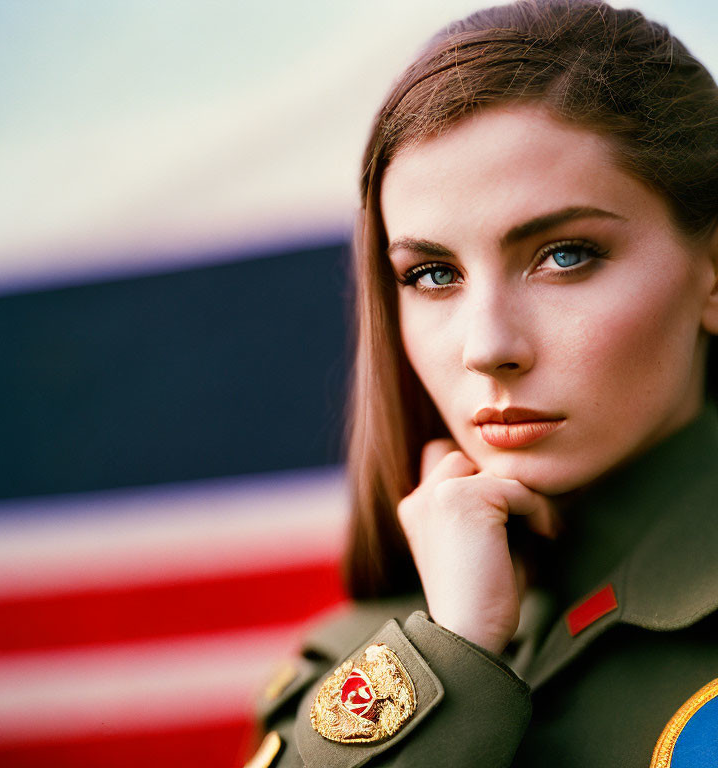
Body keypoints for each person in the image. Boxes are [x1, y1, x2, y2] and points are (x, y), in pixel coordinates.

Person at [245, 1, 718, 766]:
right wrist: (454, 650)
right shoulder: (361, 661)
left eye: (565, 255)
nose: (487, 346)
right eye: (432, 275)